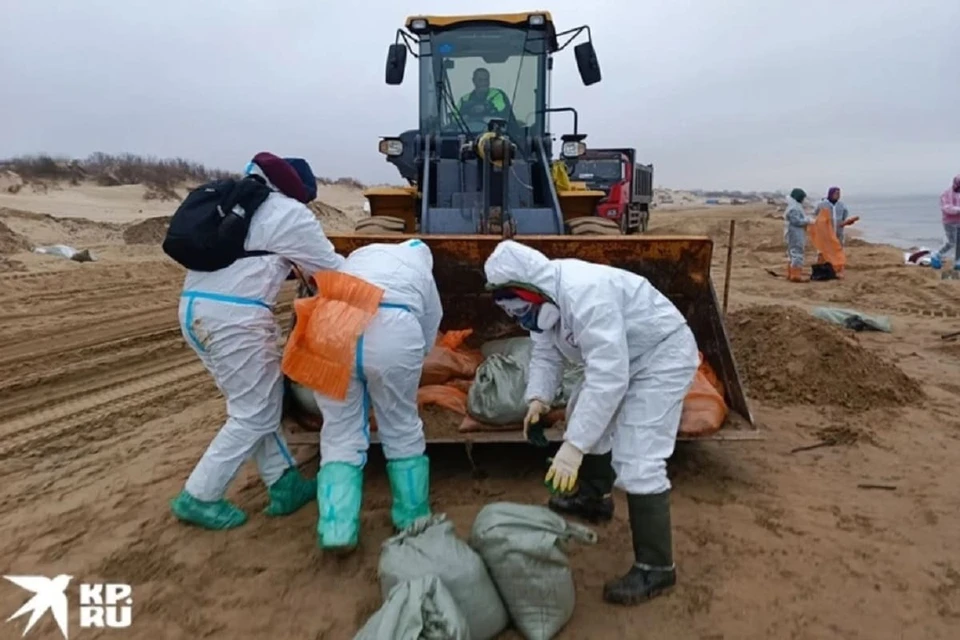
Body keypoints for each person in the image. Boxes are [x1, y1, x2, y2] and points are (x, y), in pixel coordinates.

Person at [484, 239, 699, 606]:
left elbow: (609, 378)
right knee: (582, 412)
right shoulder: (544, 302)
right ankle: (595, 498)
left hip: (660, 354)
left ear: (533, 292)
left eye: (522, 311)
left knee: (638, 458)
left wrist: (573, 449)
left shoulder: (585, 295)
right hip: (624, 356)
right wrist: (538, 398)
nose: (521, 320)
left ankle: (656, 567)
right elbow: (546, 354)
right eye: (513, 313)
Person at [170, 152, 346, 530]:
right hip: (235, 320)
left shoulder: (237, 202)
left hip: (196, 311)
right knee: (253, 412)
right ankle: (200, 496)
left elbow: (249, 259)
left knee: (258, 403)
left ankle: (284, 483)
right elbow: (332, 271)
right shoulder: (290, 213)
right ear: (300, 193)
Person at [307, 239, 442, 552]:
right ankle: (412, 518)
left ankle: (337, 529)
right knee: (400, 424)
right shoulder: (421, 267)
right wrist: (415, 357)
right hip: (393, 329)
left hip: (330, 325)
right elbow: (431, 322)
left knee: (339, 431)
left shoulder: (358, 258)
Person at [930, 174, 960, 271]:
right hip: (950, 222)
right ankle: (937, 254)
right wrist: (958, 210)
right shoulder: (947, 194)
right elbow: (946, 208)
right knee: (952, 243)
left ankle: (957, 262)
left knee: (958, 244)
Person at [784, 188, 814, 282]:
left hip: (794, 232)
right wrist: (808, 221)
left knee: (792, 253)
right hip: (795, 233)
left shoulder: (794, 206)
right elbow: (796, 221)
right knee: (797, 252)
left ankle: (791, 274)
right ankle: (795, 276)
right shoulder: (794, 208)